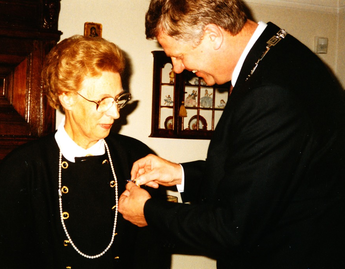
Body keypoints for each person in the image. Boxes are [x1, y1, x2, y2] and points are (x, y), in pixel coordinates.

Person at [118, 0, 345, 268]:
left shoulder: (271, 93)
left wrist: (149, 212)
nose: (177, 68)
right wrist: (179, 174)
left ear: (213, 36)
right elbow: (258, 180)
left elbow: (231, 228)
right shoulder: (275, 55)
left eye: (178, 56)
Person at [0, 35, 170, 269]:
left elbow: (153, 253)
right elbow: (6, 259)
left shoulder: (137, 157)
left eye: (118, 100)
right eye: (103, 101)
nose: (115, 113)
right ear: (67, 97)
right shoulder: (22, 168)